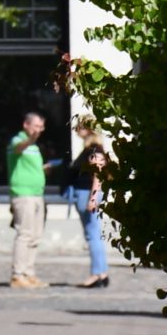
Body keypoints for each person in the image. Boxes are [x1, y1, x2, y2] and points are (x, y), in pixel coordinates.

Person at [64, 118, 113, 289]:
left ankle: (97, 273)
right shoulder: (89, 149)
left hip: (87, 194)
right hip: (85, 193)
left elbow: (98, 176)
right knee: (92, 234)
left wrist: (93, 199)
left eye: (79, 126)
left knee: (92, 234)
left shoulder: (94, 150)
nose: (76, 130)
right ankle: (102, 272)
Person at [5, 111, 49, 290]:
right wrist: (30, 139)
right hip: (23, 194)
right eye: (36, 126)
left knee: (35, 236)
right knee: (24, 234)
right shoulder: (18, 140)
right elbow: (18, 148)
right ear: (26, 125)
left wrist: (43, 170)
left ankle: (29, 273)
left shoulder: (35, 147)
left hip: (37, 194)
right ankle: (18, 274)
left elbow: (30, 167)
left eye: (42, 127)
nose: (39, 130)